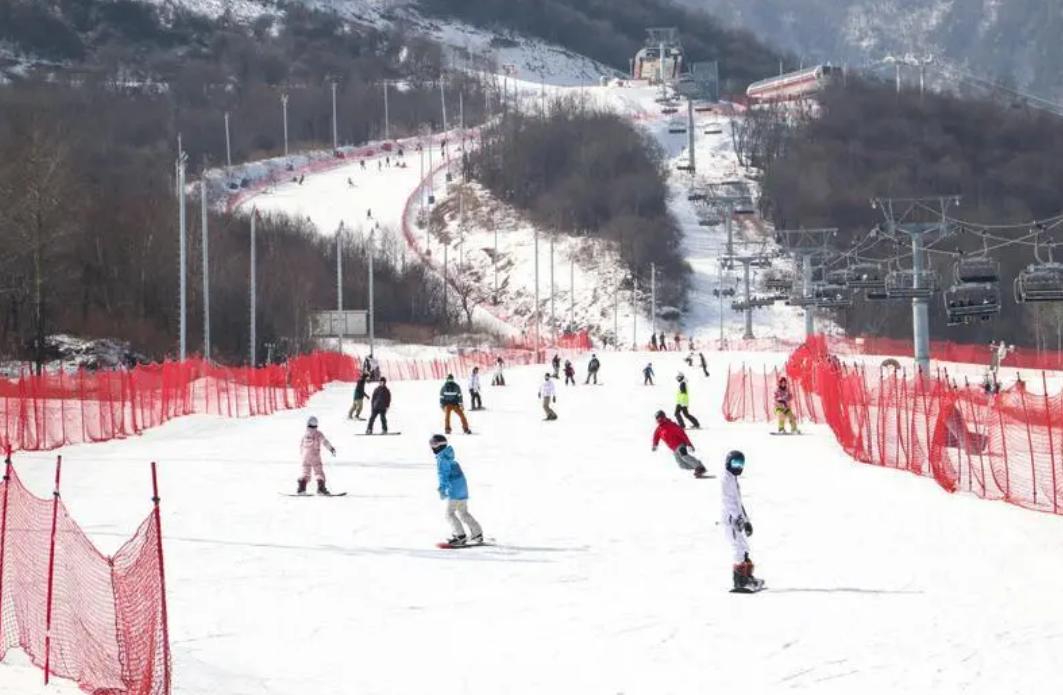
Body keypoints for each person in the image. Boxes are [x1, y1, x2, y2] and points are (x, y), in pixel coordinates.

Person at [721, 450, 763, 592]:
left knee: (744, 547)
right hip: (731, 520)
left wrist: (746, 521)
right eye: (735, 463)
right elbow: (729, 502)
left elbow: (739, 502)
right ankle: (739, 581)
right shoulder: (726, 480)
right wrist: (738, 519)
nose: (738, 467)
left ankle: (747, 577)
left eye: (741, 463)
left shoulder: (732, 478)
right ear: (728, 463)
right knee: (738, 549)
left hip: (737, 519)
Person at [431, 434, 483, 546]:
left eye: (434, 444)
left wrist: (442, 489)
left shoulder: (442, 459)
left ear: (439, 446)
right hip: (462, 489)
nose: (432, 447)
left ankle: (460, 535)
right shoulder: (450, 457)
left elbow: (443, 475)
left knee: (449, 514)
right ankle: (477, 533)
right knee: (463, 512)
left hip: (454, 490)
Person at [651, 410, 707, 478]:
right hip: (674, 449)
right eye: (657, 418)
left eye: (660, 418)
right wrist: (655, 445)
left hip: (680, 444)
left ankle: (698, 467)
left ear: (664, 417)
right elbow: (655, 437)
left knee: (684, 456)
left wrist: (689, 444)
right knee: (682, 465)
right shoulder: (659, 429)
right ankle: (698, 466)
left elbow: (682, 434)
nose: (659, 420)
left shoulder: (671, 425)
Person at [297, 416, 335, 495]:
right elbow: (325, 442)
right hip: (315, 455)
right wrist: (331, 448)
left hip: (305, 456)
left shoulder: (305, 434)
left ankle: (301, 488)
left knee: (305, 473)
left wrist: (302, 454)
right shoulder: (318, 434)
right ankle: (321, 488)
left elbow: (301, 445)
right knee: (319, 472)